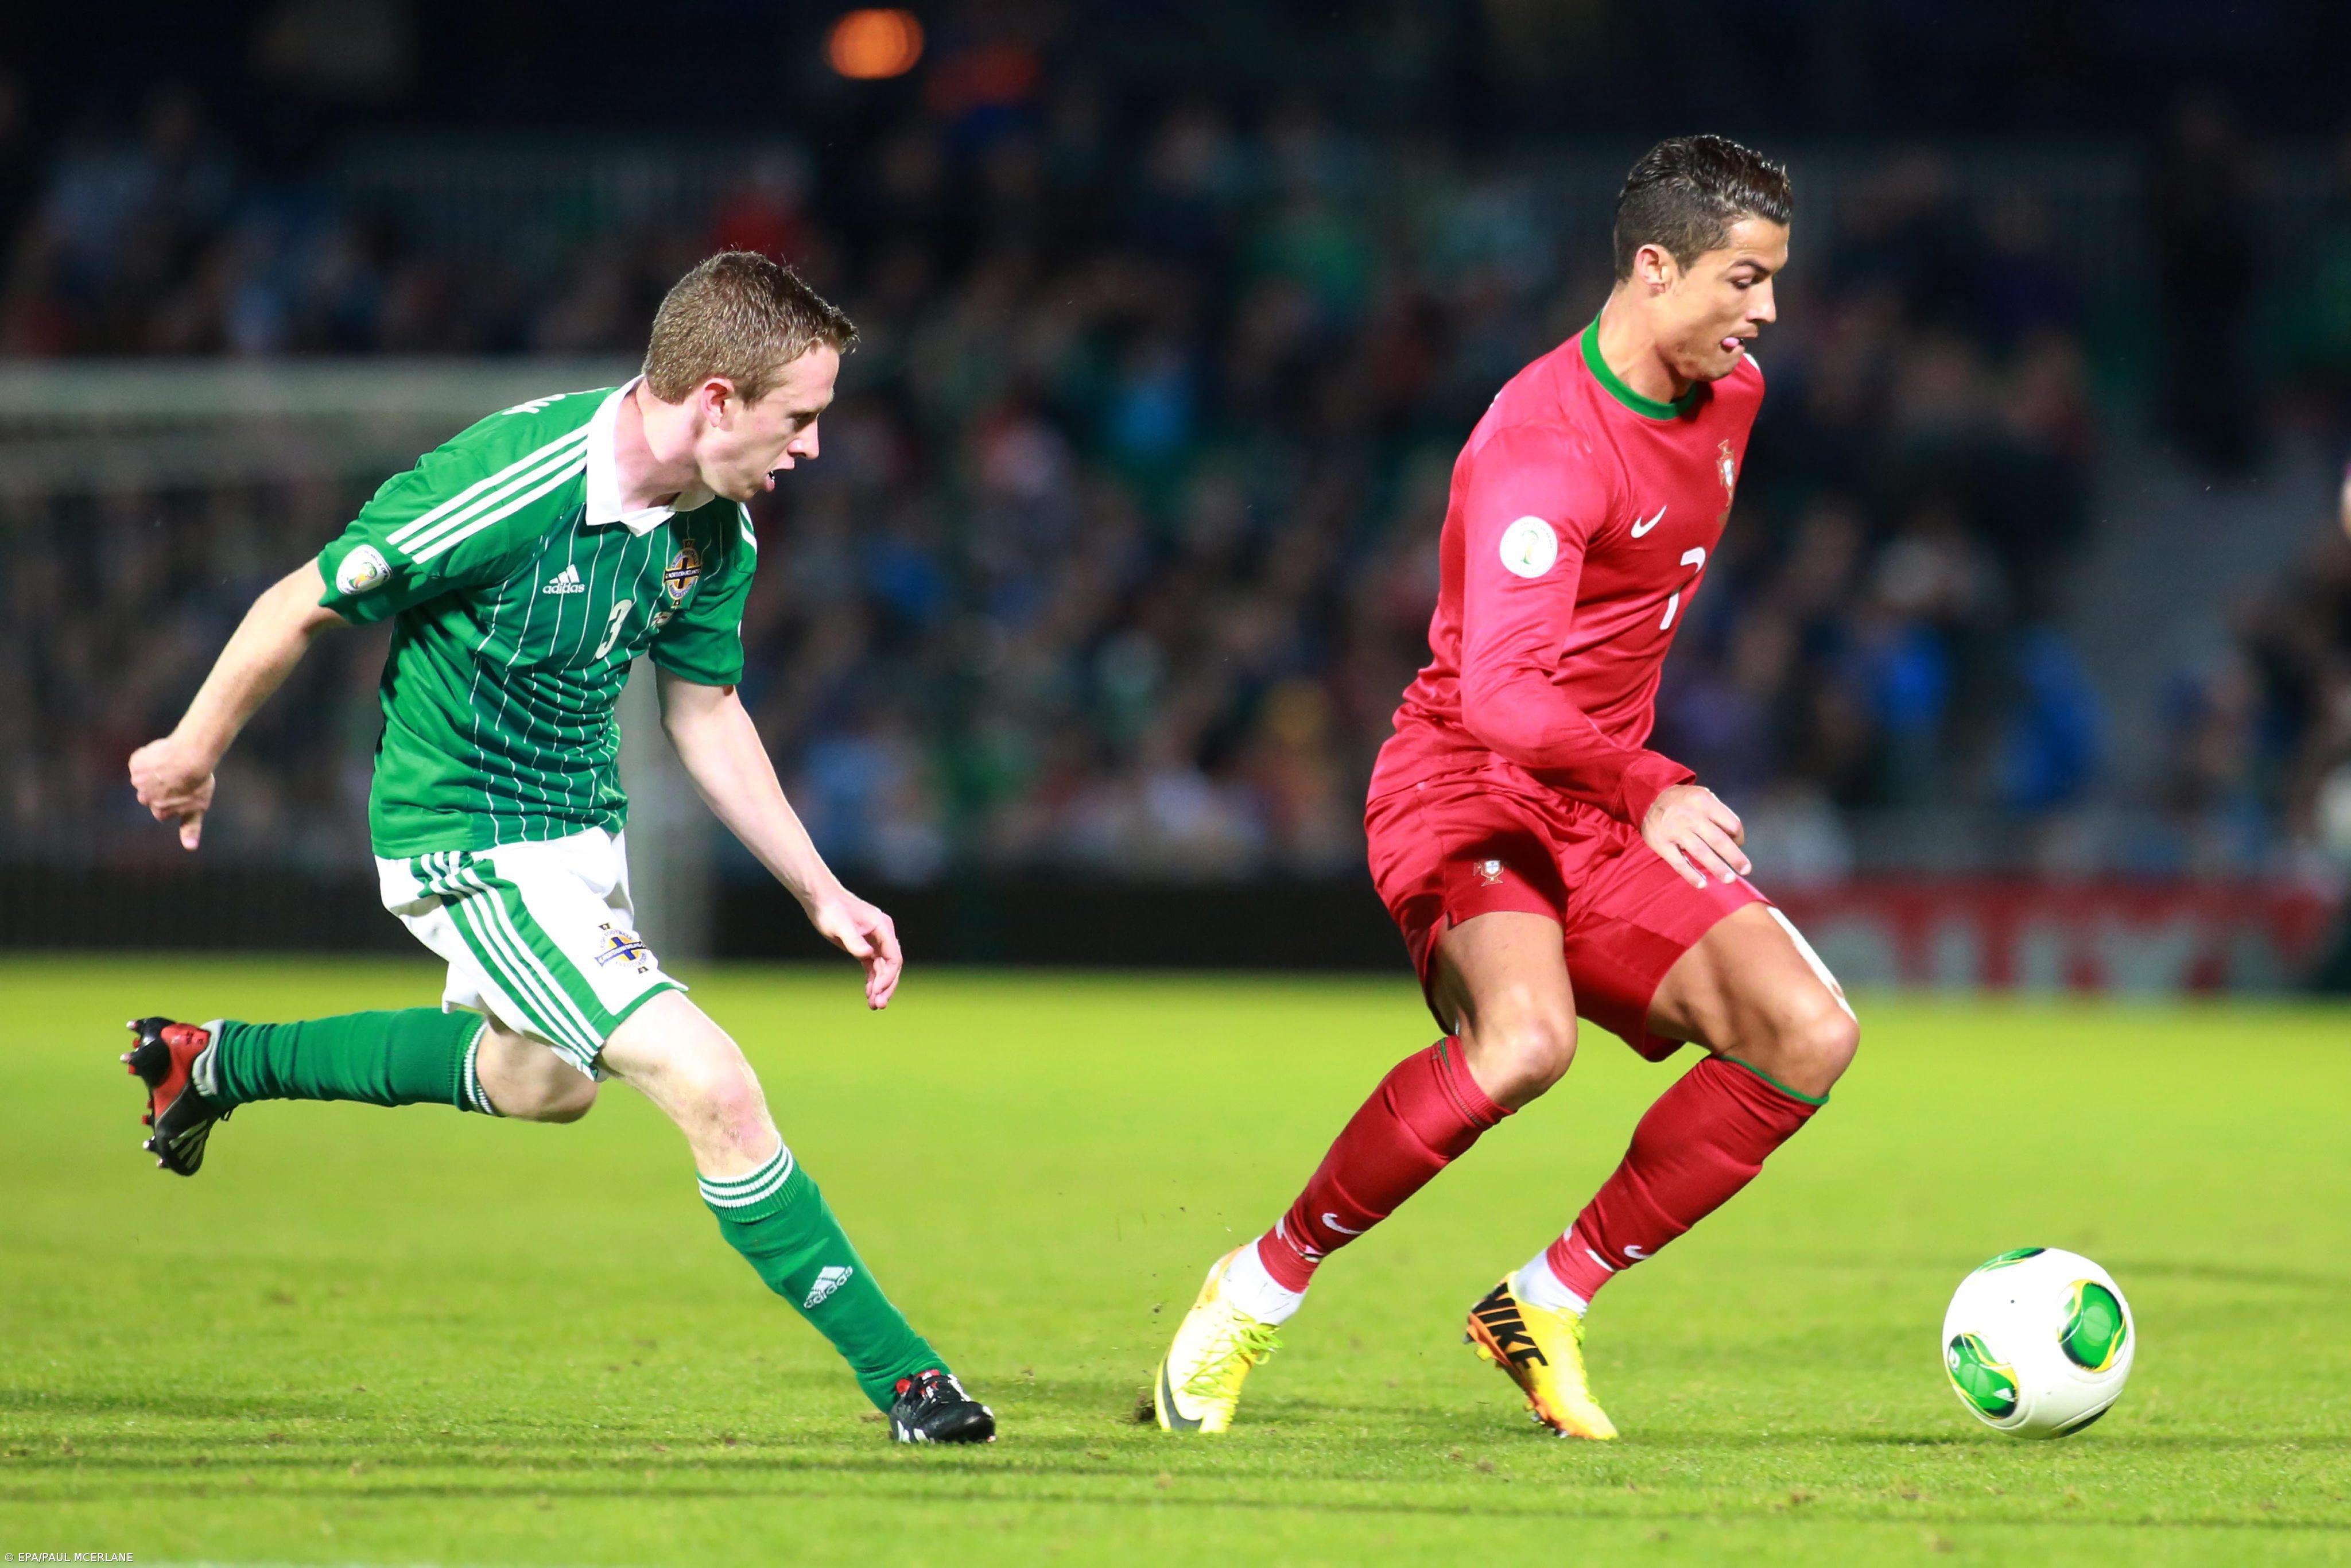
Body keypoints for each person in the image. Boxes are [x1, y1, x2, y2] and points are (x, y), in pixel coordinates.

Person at [122, 251, 994, 1445]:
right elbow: (301, 600)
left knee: (546, 1085)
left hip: (579, 840)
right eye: (802, 417)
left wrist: (818, 885)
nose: (813, 446)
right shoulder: (505, 484)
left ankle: (210, 1062)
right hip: (466, 841)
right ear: (718, 401)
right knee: (715, 1085)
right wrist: (191, 748)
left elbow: (705, 710)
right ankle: (909, 1380)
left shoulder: (713, 536)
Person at [1153, 137, 1857, 1438]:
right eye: (1741, 281)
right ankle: (1255, 1284)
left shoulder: (1732, 397)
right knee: (1523, 1042)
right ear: (1653, 269)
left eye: (1772, 281)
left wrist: (1621, 783)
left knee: (1806, 1036)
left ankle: (1541, 1299)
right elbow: (1502, 697)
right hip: (1469, 781)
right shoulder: (1541, 448)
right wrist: (1645, 775)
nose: (1764, 314)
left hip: (1590, 803)